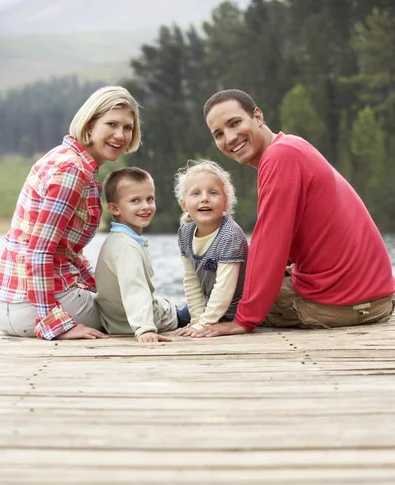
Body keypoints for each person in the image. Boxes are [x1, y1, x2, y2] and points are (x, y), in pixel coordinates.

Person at [196, 88, 395, 338]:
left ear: (258, 117)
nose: (230, 137)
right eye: (219, 134)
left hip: (344, 304)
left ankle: (176, 315)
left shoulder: (279, 157)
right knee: (238, 276)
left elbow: (270, 244)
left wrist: (244, 320)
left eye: (235, 123)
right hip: (377, 298)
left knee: (228, 287)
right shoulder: (290, 146)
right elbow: (287, 244)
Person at [0, 85, 141, 341]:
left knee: (126, 301)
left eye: (127, 127)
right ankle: (186, 316)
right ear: (90, 125)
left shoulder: (65, 158)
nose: (120, 135)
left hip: (9, 305)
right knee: (137, 313)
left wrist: (101, 288)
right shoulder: (73, 171)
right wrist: (54, 322)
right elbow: (38, 251)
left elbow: (67, 252)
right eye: (111, 124)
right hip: (33, 307)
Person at [95, 167, 190, 343]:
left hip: (116, 322)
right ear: (115, 208)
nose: (145, 206)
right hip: (155, 320)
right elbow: (135, 290)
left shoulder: (117, 240)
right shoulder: (127, 247)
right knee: (211, 309)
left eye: (150, 199)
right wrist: (145, 329)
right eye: (135, 201)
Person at [173, 159, 248, 337]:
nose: (205, 198)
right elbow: (191, 280)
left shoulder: (230, 235)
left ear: (226, 202)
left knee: (181, 319)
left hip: (234, 311)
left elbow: (224, 289)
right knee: (173, 317)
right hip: (208, 307)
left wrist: (203, 324)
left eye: (213, 193)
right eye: (196, 193)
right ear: (184, 204)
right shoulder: (185, 232)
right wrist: (197, 320)